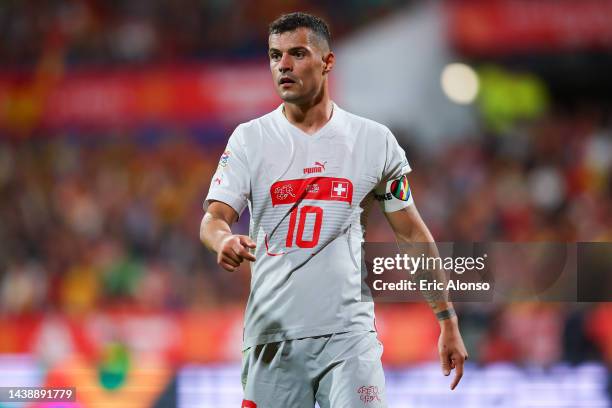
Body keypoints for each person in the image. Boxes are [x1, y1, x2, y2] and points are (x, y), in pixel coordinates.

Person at [200, 12, 468, 407]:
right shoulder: (250, 140)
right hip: (273, 339)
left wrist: (447, 319)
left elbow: (412, 234)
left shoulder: (373, 142)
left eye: (297, 54)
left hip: (349, 339)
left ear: (327, 62)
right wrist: (221, 240)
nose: (283, 65)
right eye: (275, 56)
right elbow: (213, 218)